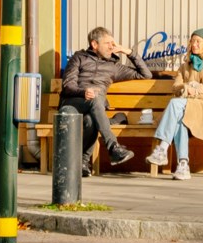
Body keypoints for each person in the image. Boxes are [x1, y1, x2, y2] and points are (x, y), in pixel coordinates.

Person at [57, 27, 149, 176]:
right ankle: (113, 148)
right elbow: (68, 86)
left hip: (94, 107)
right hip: (72, 103)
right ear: (94, 44)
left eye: (113, 43)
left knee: (91, 120)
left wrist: (128, 52)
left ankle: (82, 163)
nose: (112, 46)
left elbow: (146, 74)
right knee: (94, 101)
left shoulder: (114, 66)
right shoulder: (79, 58)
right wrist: (83, 92)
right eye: (107, 43)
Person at [148, 29, 203, 180]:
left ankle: (163, 148)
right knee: (180, 119)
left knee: (174, 104)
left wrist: (197, 90)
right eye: (192, 41)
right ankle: (183, 166)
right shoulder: (185, 65)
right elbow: (176, 87)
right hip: (186, 107)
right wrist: (187, 87)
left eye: (198, 41)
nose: (194, 44)